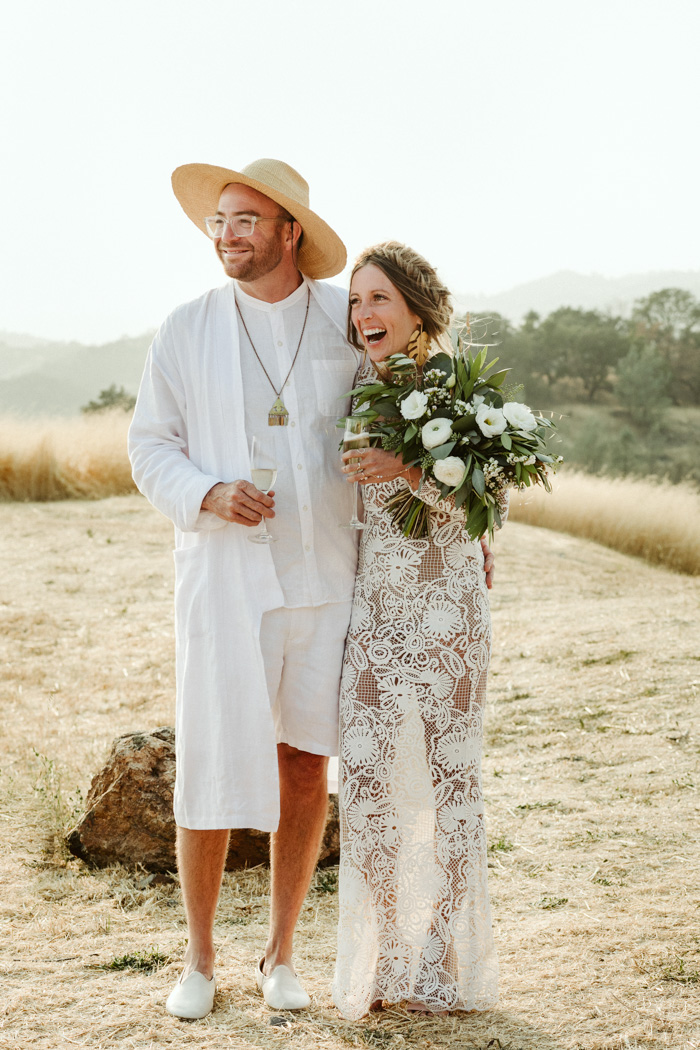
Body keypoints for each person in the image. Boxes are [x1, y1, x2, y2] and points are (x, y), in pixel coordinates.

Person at [128, 158, 362, 1020]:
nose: (225, 234)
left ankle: (281, 955)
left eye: (244, 220)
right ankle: (197, 960)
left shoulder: (348, 318)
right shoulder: (185, 329)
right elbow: (149, 445)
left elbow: (406, 411)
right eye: (218, 220)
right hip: (226, 578)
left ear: (288, 230)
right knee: (214, 760)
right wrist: (207, 491)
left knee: (305, 761)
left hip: (327, 576)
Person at [332, 242, 503, 1019]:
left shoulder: (454, 388)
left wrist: (406, 470)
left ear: (415, 311)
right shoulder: (353, 385)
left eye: (379, 300)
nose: (365, 314)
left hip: (449, 615)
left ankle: (442, 952)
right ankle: (381, 957)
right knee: (366, 789)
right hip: (374, 613)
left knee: (449, 786)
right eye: (357, 302)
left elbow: (487, 499)